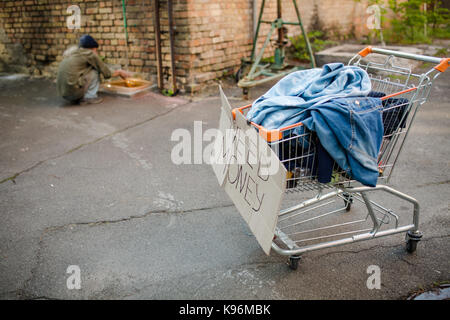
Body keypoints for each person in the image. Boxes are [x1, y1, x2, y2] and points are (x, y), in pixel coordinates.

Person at [57, 34, 130, 104]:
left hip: (65, 94)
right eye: (96, 50)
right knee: (95, 71)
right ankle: (90, 97)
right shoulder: (89, 54)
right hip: (73, 94)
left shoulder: (74, 53)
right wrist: (120, 72)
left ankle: (79, 97)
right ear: (93, 48)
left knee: (88, 70)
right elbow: (106, 72)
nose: (96, 52)